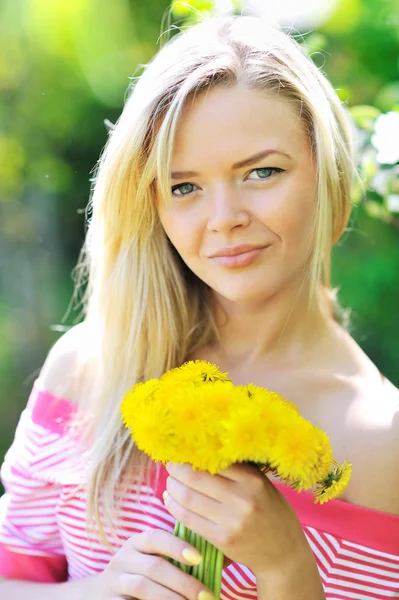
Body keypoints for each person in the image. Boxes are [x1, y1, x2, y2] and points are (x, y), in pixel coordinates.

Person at [0, 13, 398, 600]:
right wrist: (93, 593)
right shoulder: (86, 368)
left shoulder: (384, 442)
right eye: (184, 186)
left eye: (261, 172)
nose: (224, 218)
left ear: (328, 175)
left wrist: (288, 568)